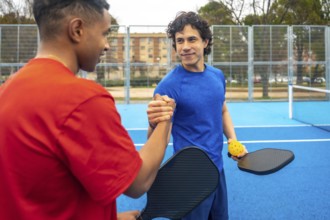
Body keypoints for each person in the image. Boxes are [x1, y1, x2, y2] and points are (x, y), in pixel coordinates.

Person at [0, 1, 175, 220]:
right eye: (104, 34)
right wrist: (166, 118)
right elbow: (138, 182)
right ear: (77, 30)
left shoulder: (7, 90)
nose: (107, 46)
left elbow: (40, 190)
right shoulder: (82, 99)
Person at [147, 11, 247, 220]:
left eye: (192, 39)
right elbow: (159, 138)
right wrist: (153, 125)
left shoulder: (217, 76)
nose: (185, 47)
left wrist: (232, 139)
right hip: (189, 176)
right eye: (179, 41)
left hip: (217, 170)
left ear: (205, 41)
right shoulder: (168, 86)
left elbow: (222, 110)